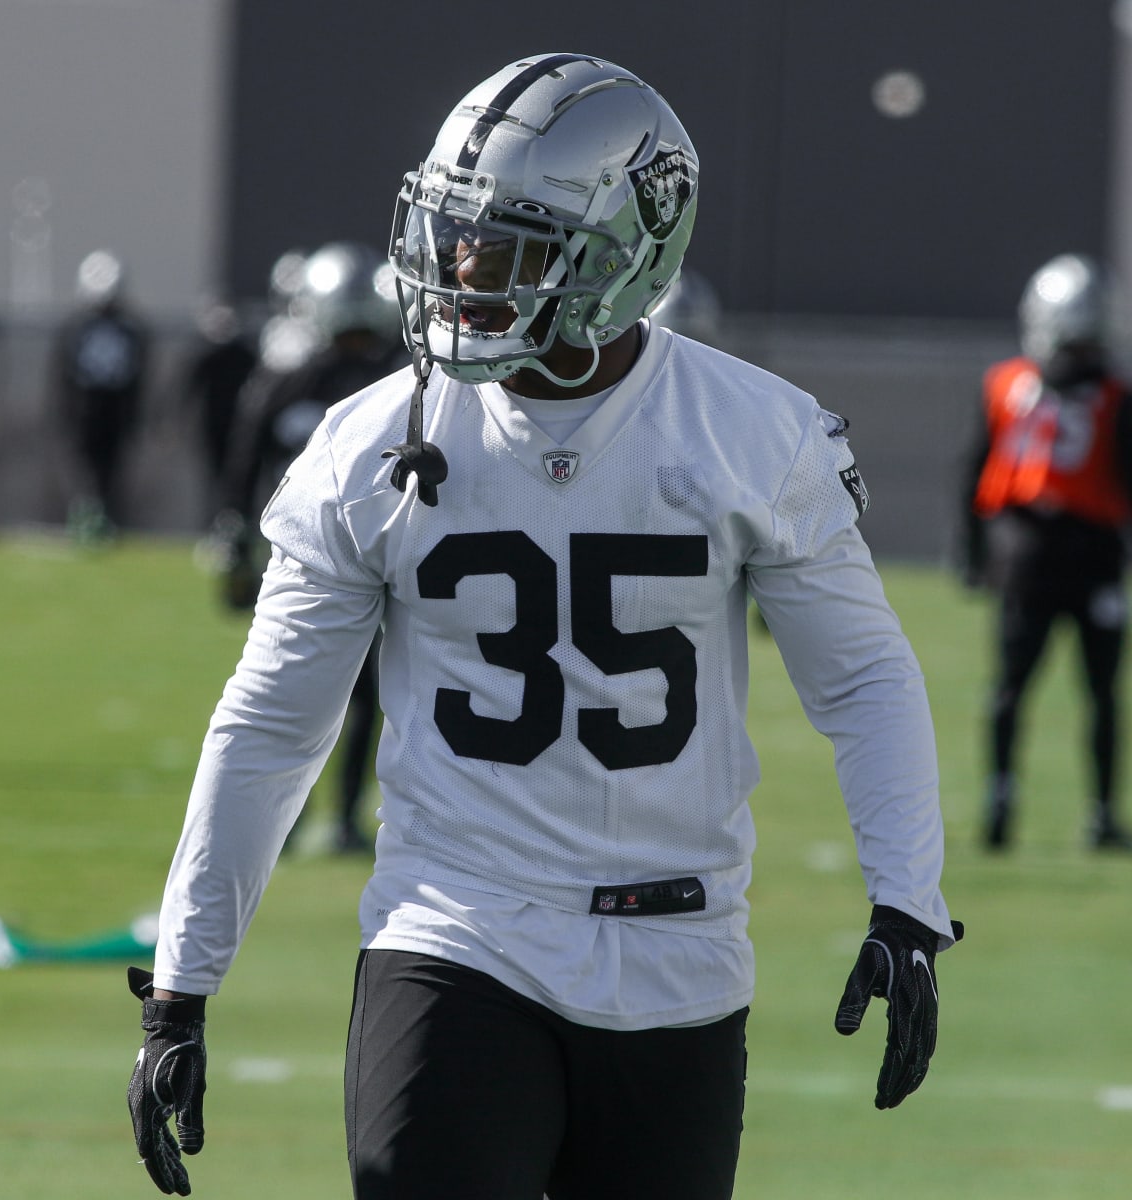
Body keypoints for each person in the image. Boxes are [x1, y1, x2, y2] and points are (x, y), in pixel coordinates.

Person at [126, 53, 962, 1199]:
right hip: (458, 930)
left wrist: (908, 902)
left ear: (629, 249)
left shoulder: (748, 433)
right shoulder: (369, 446)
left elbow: (864, 679)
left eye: (509, 239)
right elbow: (270, 725)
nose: (460, 268)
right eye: (454, 230)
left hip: (682, 953)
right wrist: (182, 981)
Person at [217, 242, 406, 853]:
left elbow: (243, 465)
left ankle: (300, 818)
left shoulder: (299, 380)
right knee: (355, 700)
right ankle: (337, 819)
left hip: (311, 559)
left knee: (300, 698)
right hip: (374, 555)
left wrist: (234, 540)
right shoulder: (393, 378)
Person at [961, 252, 1132, 851]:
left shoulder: (1008, 383)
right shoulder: (1114, 393)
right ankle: (1100, 815)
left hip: (1025, 553)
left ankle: (1000, 804)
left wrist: (974, 556)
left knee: (1013, 689)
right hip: (1089, 557)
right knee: (1098, 694)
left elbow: (976, 474)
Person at [52, 249, 151, 538]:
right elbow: (64, 373)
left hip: (115, 409)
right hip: (85, 409)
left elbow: (137, 374)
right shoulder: (76, 326)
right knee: (84, 467)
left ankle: (106, 518)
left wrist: (134, 413)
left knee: (111, 468)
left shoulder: (130, 327)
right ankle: (86, 516)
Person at [180, 296, 258, 524]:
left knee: (238, 476)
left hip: (241, 427)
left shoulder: (244, 355)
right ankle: (218, 522)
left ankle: (236, 521)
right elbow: (188, 389)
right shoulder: (205, 354)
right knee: (215, 476)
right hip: (212, 426)